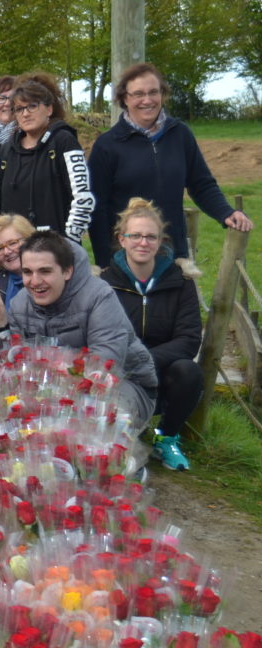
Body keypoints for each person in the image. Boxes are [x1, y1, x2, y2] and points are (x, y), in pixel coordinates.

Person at [0, 230, 157, 430]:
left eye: (45, 271)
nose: (35, 281)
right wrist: (0, 326)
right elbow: (11, 364)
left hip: (122, 385)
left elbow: (106, 363)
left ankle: (122, 455)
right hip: (51, 388)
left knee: (95, 415)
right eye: (27, 272)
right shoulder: (21, 302)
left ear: (67, 271)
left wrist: (53, 391)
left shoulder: (99, 296)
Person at [88, 62, 253, 266]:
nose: (147, 100)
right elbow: (97, 207)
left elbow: (201, 184)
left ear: (162, 94)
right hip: (127, 256)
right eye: (138, 94)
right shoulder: (107, 145)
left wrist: (226, 212)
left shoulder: (180, 134)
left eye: (153, 92)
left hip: (172, 250)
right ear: (124, 99)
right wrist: (105, 262)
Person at [100, 198, 204, 470]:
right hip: (120, 373)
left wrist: (145, 359)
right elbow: (101, 334)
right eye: (135, 236)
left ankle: (165, 437)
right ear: (122, 239)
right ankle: (119, 434)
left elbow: (189, 338)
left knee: (189, 372)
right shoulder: (103, 283)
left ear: (160, 242)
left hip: (162, 371)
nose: (143, 243)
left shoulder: (181, 283)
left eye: (150, 237)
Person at [0, 72, 93, 243]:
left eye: (32, 106)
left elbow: (82, 198)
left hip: (55, 251)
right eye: (19, 109)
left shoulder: (64, 142)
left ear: (49, 109)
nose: (25, 114)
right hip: (14, 251)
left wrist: (69, 243)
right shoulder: (6, 150)